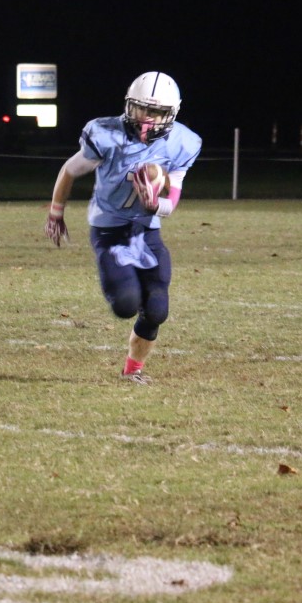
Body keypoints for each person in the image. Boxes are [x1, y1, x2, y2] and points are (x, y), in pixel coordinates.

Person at [45, 71, 202, 384]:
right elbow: (69, 170)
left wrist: (155, 204)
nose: (147, 118)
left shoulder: (182, 143)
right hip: (110, 231)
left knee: (157, 309)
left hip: (146, 232)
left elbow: (171, 202)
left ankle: (133, 370)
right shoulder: (106, 134)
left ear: (171, 114)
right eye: (141, 108)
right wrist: (56, 213)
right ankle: (129, 292)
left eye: (156, 112)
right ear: (129, 105)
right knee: (126, 305)